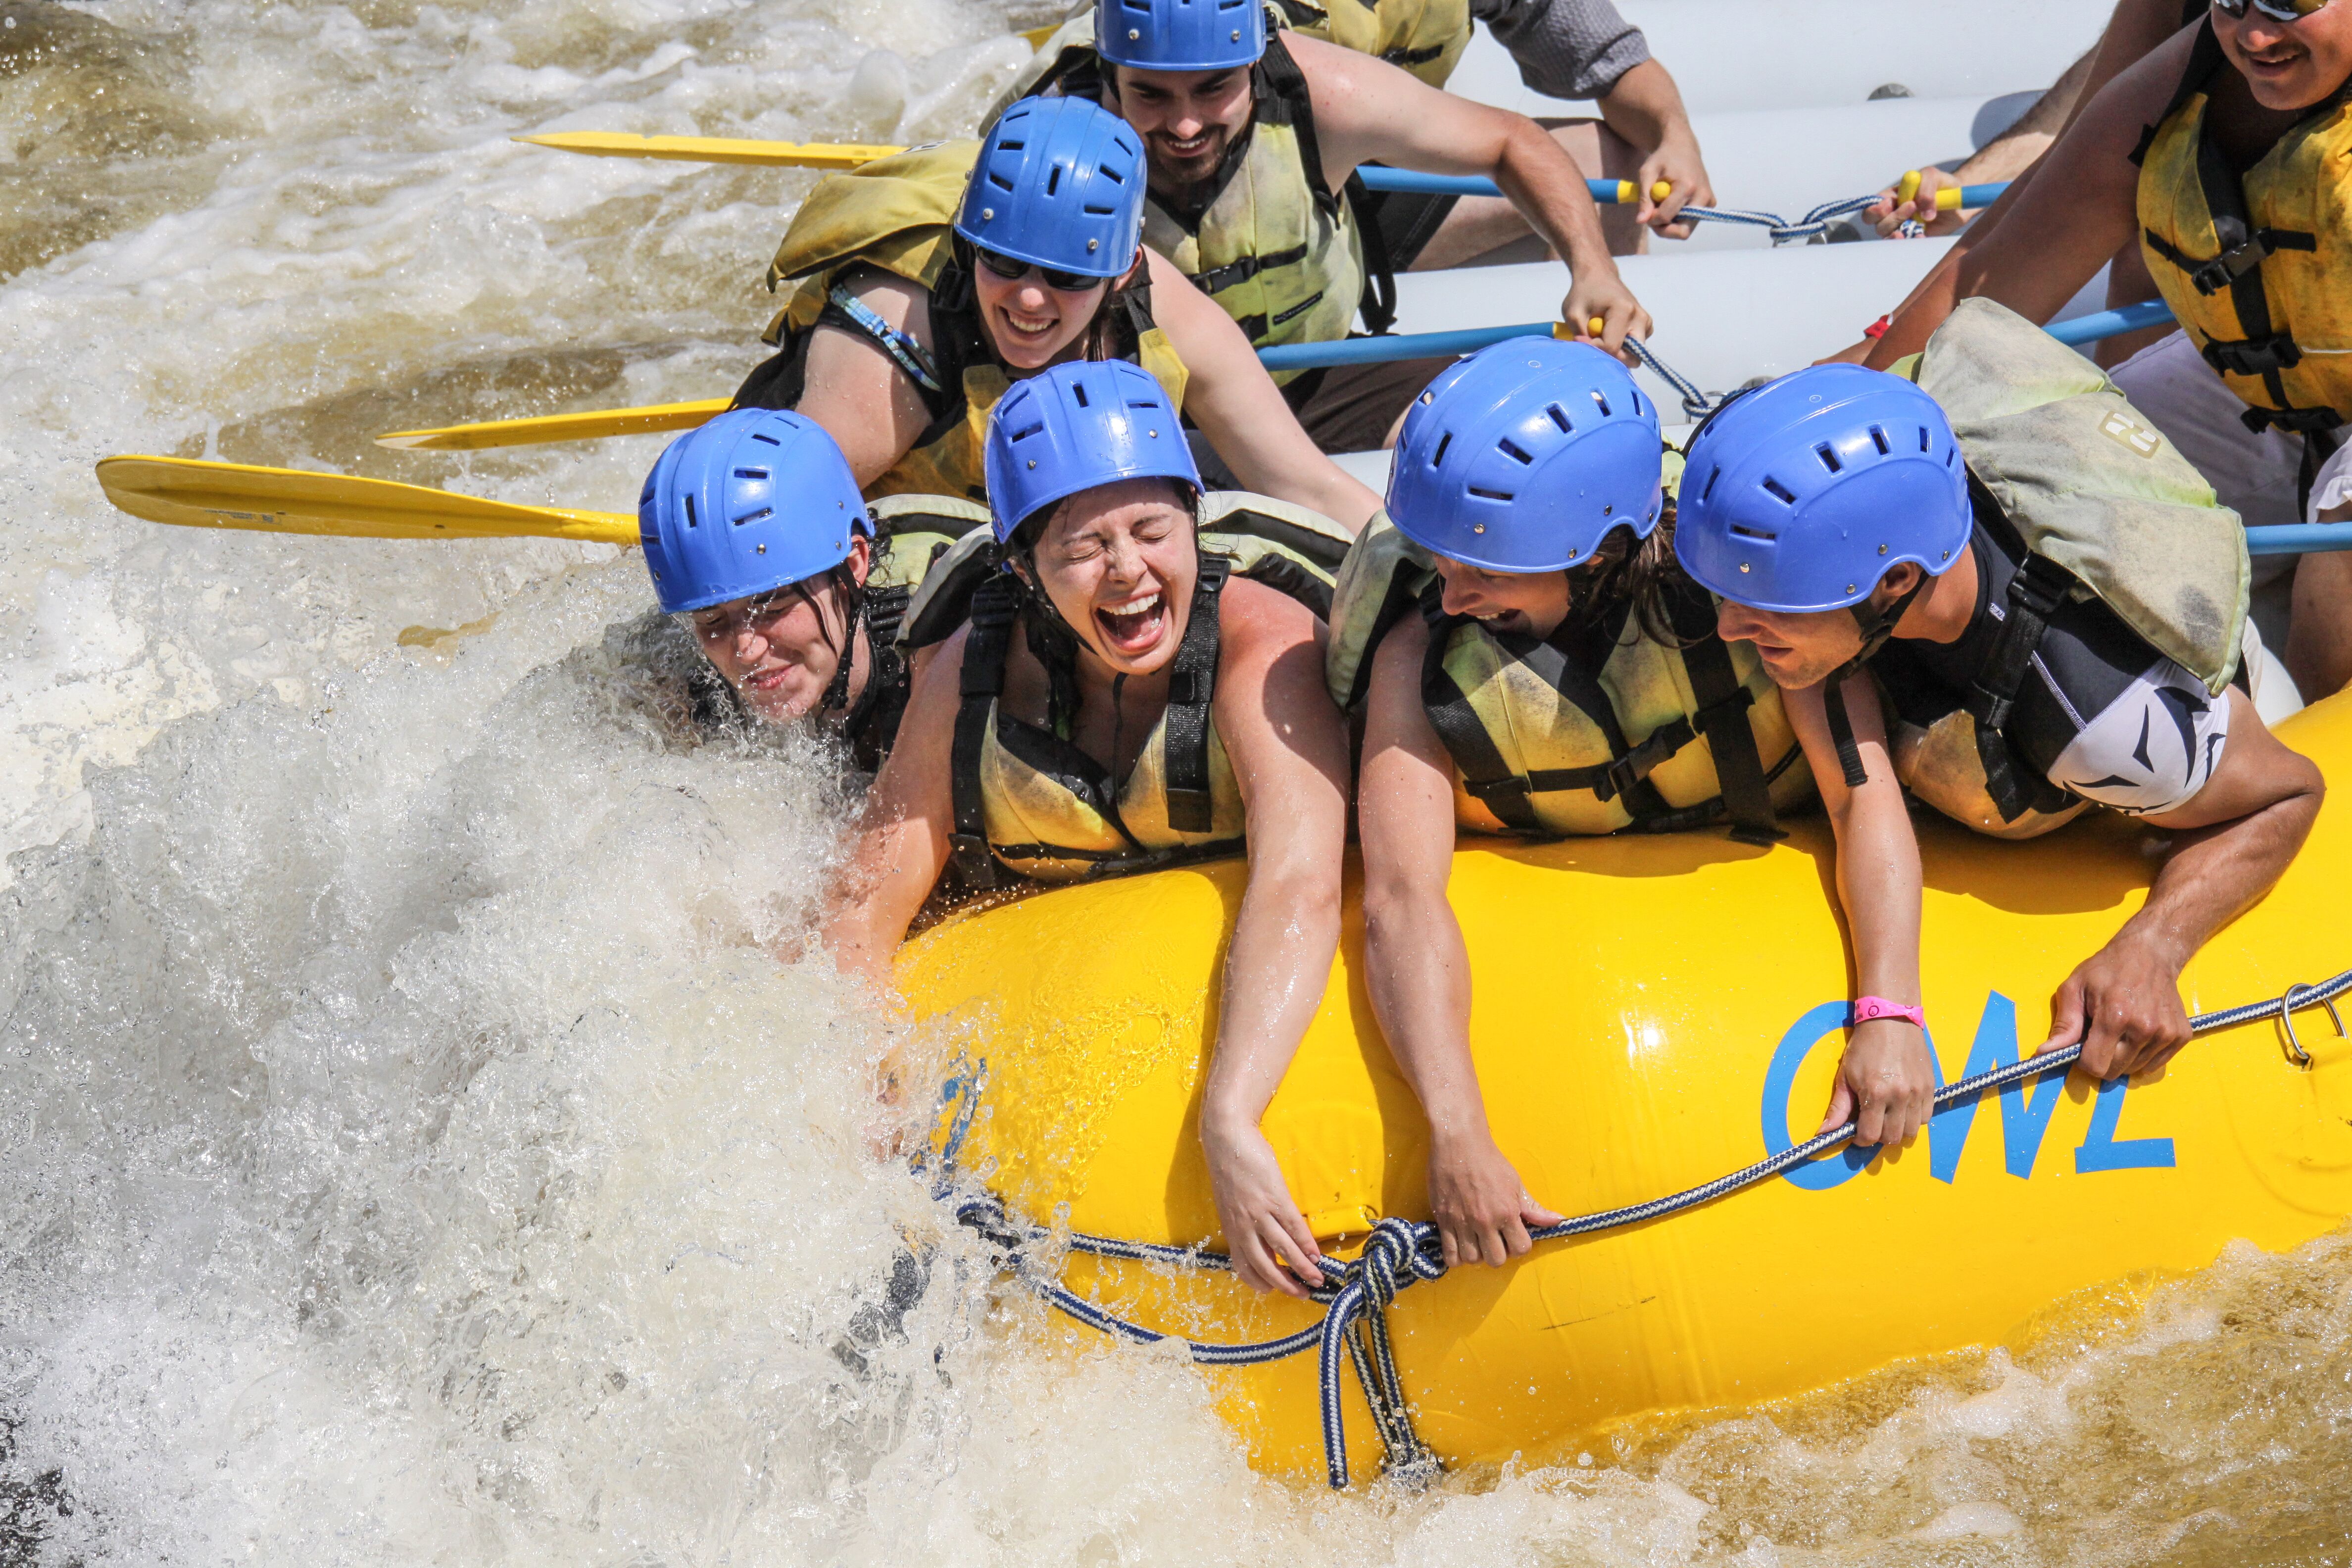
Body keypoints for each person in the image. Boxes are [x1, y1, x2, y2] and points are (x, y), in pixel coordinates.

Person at [1673, 330, 2322, 1128]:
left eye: (1768, 602)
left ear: (1897, 583)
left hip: (2213, 738)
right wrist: (1888, 1012)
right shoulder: (1837, 542)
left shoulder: (2104, 719)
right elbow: (1857, 794)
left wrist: (2157, 945)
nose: (1732, 628)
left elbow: (2291, 792)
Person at [825, 357, 1354, 1298]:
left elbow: (1300, 880)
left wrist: (1230, 1118)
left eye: (1152, 531)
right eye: (1081, 548)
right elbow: (855, 916)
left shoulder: (1263, 645)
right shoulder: (968, 668)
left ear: (1193, 526)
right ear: (1024, 568)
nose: (1127, 571)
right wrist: (873, 1100)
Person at [1334, 337, 1810, 1269]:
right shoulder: (1416, 652)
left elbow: (1866, 793)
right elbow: (1399, 896)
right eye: (1438, 557)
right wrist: (1456, 1131)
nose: (1451, 592)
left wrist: (1889, 1012)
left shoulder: (1751, 608)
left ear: (1597, 553)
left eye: (1487, 568)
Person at [1857, 0, 2352, 698]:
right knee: (2028, 466)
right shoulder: (2182, 82)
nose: (2257, 35)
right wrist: (1847, 409)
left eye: (2288, 5)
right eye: (2232, 3)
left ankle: (2315, 753)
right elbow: (1984, 286)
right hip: (2274, 396)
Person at [1005, 0, 1651, 456]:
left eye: (1214, 90)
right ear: (1108, 76)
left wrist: (1592, 268)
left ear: (1254, 62)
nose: (1185, 126)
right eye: (1150, 95)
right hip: (1117, 406)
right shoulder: (1045, 141)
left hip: (1314, 378)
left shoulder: (1322, 93)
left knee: (1500, 437)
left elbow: (1511, 143)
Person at [735, 93, 1383, 533]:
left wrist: (1436, 577)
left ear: (1124, 273)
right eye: (1005, 263)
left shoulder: (1164, 310)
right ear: (970, 245)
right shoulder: (898, 339)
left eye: (1069, 276)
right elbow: (754, 526)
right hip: (870, 538)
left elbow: (1307, 486)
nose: (1030, 299)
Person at [638, 406, 979, 766]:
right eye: (711, 619)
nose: (746, 651)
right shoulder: (681, 666)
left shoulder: (947, 621)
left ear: (852, 567)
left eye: (772, 608)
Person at [1268, 0, 1719, 260]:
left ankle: (1604, 370)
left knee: (1612, 162)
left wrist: (1673, 137)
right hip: (1265, 205)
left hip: (1391, 185)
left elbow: (1612, 60)